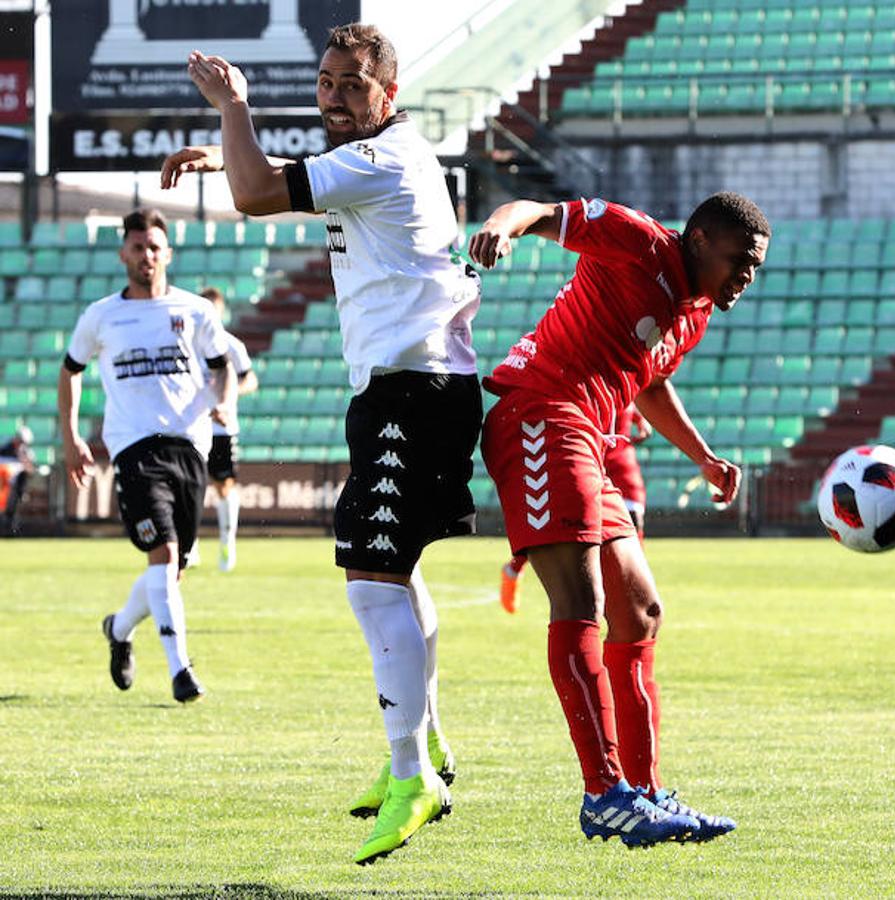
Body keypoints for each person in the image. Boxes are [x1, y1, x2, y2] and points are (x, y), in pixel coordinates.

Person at [162, 24, 478, 865]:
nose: (334, 96)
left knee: (372, 584)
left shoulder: (384, 161)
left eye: (353, 84)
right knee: (396, 577)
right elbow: (262, 180)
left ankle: (413, 778)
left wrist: (234, 109)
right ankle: (425, 751)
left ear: (390, 94)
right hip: (406, 388)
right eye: (326, 81)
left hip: (417, 389)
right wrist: (229, 148)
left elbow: (258, 195)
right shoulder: (378, 158)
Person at [470, 191, 769, 847]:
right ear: (698, 240)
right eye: (741, 258)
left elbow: (649, 385)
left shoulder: (693, 315)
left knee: (640, 611)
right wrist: (500, 227)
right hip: (541, 413)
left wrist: (704, 458)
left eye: (757, 265)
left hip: (591, 439)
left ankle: (644, 792)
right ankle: (605, 794)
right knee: (580, 600)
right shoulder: (639, 241)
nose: (749, 274)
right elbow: (539, 209)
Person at [59, 208, 236, 704]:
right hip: (134, 448)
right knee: (162, 555)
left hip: (189, 447)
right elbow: (70, 368)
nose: (147, 255)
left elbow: (224, 367)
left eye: (154, 247)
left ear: (167, 253)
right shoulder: (101, 315)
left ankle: (118, 628)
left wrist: (225, 401)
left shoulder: (197, 310)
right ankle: (181, 670)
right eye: (138, 247)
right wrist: (72, 436)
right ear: (124, 254)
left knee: (171, 568)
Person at [499, 403, 652, 614]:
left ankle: (630, 591)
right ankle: (514, 567)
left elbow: (633, 396)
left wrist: (639, 419)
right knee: (564, 529)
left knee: (634, 521)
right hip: (588, 457)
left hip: (622, 462)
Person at [199, 286, 259, 572]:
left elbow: (250, 380)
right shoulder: (188, 342)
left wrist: (227, 396)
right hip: (192, 427)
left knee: (223, 485)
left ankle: (227, 541)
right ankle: (189, 546)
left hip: (222, 427)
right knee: (189, 486)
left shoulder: (231, 345)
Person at [0, 425, 35, 536]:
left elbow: (30, 470)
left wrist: (23, 459)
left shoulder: (26, 453)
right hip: (3, 487)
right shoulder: (4, 450)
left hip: (15, 489)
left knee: (12, 510)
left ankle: (10, 532)